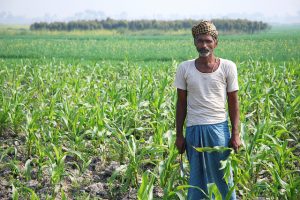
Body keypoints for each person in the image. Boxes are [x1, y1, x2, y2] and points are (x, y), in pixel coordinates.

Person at [173, 20, 241, 200]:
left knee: (223, 176)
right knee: (197, 177)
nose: (204, 45)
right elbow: (181, 104)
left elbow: (233, 102)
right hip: (194, 129)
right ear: (194, 42)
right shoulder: (184, 68)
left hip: (218, 129)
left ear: (216, 42)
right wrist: (179, 135)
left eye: (208, 41)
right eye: (200, 40)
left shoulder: (227, 67)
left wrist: (235, 134)